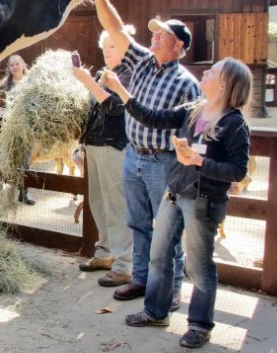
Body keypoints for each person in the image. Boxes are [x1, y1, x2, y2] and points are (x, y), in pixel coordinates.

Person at [105, 57, 251, 349]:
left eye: (212, 71)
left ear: (224, 84)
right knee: (159, 255)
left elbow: (238, 170)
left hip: (203, 201)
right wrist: (122, 91)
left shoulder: (234, 124)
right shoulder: (194, 110)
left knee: (198, 267)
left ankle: (199, 325)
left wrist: (199, 161)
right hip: (174, 193)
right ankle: (155, 312)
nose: (205, 72)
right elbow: (154, 117)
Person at [88, 0, 200, 306]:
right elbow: (116, 26)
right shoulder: (141, 62)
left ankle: (173, 289)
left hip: (163, 162)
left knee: (166, 228)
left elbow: (192, 131)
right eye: (154, 32)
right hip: (132, 156)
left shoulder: (186, 83)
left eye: (162, 34)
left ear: (178, 45)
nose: (155, 35)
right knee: (138, 223)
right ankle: (140, 279)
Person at [72, 26, 135, 287]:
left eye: (114, 46)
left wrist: (87, 82)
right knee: (98, 201)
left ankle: (125, 264)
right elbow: (91, 110)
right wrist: (80, 144)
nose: (108, 52)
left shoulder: (131, 75)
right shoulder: (101, 74)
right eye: (106, 47)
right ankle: (105, 253)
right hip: (95, 145)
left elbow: (116, 108)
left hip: (116, 145)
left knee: (117, 204)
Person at [0, 55, 35, 205]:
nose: (15, 67)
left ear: (23, 65)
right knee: (5, 157)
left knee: (25, 161)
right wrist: (8, 111)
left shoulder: (32, 83)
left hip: (26, 129)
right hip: (8, 128)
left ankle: (24, 193)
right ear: (9, 68)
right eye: (12, 65)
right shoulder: (3, 85)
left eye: (17, 64)